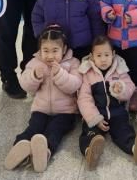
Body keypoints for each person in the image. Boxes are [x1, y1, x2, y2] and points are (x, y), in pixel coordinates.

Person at [4, 25, 82, 173]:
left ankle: (45, 151)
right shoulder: (35, 63)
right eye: (45, 51)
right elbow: (25, 85)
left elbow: (74, 85)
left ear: (64, 49)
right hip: (41, 109)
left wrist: (60, 74)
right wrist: (34, 76)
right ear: (40, 50)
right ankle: (20, 148)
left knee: (54, 131)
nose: (50, 56)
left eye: (55, 50)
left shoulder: (73, 63)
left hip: (65, 112)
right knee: (33, 128)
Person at [77, 35, 137, 170]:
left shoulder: (120, 70)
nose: (103, 59)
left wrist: (121, 89)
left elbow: (130, 88)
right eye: (99, 55)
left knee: (124, 131)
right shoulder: (88, 74)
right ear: (92, 57)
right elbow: (84, 98)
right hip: (97, 114)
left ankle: (135, 149)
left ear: (113, 54)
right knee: (90, 133)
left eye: (106, 55)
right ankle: (90, 151)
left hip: (117, 113)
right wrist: (95, 118)